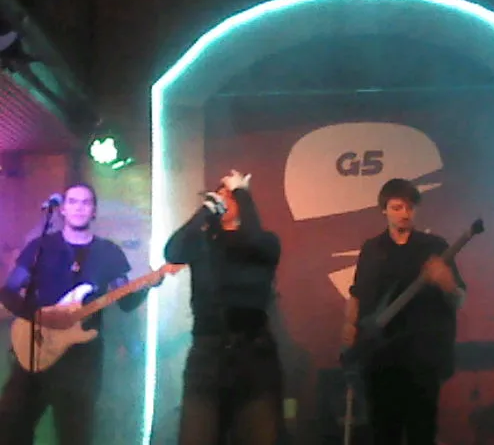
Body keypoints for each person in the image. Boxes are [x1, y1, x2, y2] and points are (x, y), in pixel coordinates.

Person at [0, 182, 149, 444]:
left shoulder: (109, 252)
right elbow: (8, 292)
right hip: (34, 348)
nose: (79, 208)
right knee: (10, 426)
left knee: (75, 435)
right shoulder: (40, 247)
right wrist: (40, 316)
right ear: (63, 210)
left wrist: (147, 286)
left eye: (86, 203)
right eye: (73, 202)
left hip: (81, 360)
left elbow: (125, 302)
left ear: (94, 211)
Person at [342, 178, 467, 445]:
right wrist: (350, 326)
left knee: (422, 433)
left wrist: (446, 282)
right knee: (383, 433)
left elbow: (459, 298)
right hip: (380, 358)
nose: (404, 214)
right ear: (384, 210)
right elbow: (357, 293)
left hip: (422, 358)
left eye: (410, 207)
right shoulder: (372, 249)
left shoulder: (434, 247)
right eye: (397, 207)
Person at [163, 169, 283, 445]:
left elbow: (255, 242)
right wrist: (206, 210)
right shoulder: (204, 244)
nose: (224, 199)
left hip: (254, 356)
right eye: (220, 195)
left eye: (231, 196)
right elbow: (173, 251)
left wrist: (243, 193)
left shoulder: (264, 243)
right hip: (207, 356)